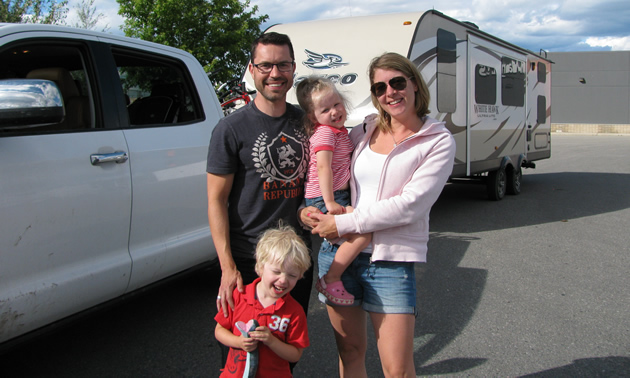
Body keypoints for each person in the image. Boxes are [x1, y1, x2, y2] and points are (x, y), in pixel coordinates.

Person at [305, 52, 456, 377]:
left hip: (390, 263)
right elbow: (325, 169)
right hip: (338, 257)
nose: (390, 92)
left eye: (397, 82)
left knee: (398, 368)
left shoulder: (437, 140)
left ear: (414, 83)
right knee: (350, 353)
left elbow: (411, 204)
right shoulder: (364, 130)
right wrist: (308, 208)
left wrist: (343, 222)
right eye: (379, 88)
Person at [207, 32, 317, 319]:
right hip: (250, 260)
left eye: (283, 65)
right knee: (243, 356)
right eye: (266, 65)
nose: (275, 73)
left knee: (286, 354)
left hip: (296, 259)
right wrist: (227, 267)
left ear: (294, 69)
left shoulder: (306, 122)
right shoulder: (230, 129)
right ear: (252, 69)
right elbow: (216, 201)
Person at [296, 77, 371, 306]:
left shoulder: (339, 132)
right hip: (324, 196)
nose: (334, 112)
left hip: (336, 195)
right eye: (325, 109)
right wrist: (329, 202)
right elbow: (322, 167)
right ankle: (331, 278)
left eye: (337, 104)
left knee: (353, 234)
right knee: (362, 233)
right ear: (313, 117)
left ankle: (335, 276)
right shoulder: (325, 133)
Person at [214, 224, 311, 377]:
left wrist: (272, 341)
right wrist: (238, 342)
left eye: (292, 275)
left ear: (300, 276)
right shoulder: (239, 296)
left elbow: (295, 354)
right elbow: (219, 331)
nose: (283, 280)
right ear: (260, 267)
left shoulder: (294, 311)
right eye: (276, 271)